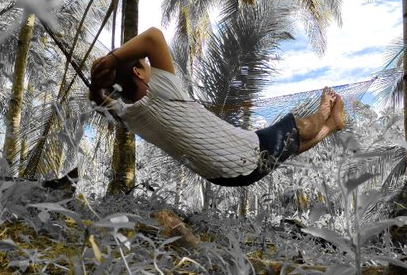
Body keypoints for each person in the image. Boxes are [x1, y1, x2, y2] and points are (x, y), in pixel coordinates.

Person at [89, 27, 344, 187]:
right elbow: (153, 36)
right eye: (145, 65)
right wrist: (111, 59)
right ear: (137, 71)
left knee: (288, 148)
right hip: (245, 154)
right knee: (297, 128)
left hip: (226, 176)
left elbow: (98, 101)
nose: (151, 68)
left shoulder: (129, 117)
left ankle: (332, 124)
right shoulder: (163, 91)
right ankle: (325, 110)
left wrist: (95, 84)